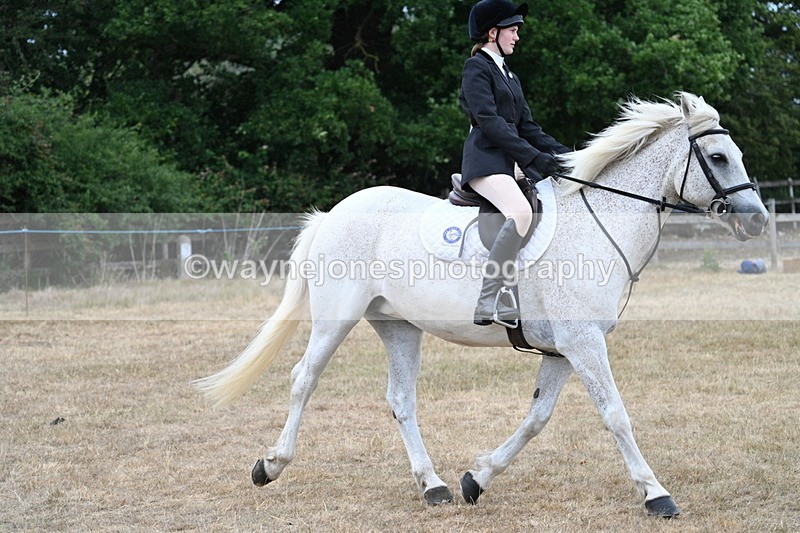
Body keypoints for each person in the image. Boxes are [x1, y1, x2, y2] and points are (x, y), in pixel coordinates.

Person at [460, 0, 571, 327]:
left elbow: (529, 128)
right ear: (492, 33)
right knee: (521, 211)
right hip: (485, 159)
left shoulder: (509, 74)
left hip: (509, 161)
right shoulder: (476, 68)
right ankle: (488, 299)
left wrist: (565, 157)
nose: (517, 36)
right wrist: (533, 157)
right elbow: (490, 122)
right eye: (512, 30)